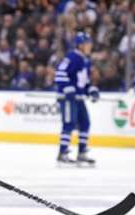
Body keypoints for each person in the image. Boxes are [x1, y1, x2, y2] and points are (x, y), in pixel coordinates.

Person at [54, 31, 99, 166]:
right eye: (87, 44)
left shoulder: (85, 60)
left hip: (78, 98)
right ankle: (62, 153)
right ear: (80, 45)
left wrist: (91, 90)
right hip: (68, 99)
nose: (89, 46)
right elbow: (60, 73)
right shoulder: (72, 57)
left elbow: (83, 81)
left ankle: (82, 152)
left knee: (85, 123)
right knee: (69, 123)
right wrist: (68, 88)